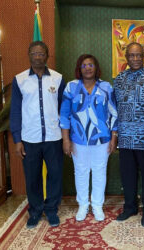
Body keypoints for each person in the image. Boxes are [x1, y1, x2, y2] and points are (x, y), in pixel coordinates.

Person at [10, 41, 65, 229]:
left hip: (54, 137)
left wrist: (66, 136)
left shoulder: (57, 79)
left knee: (55, 175)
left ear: (47, 56)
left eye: (41, 53)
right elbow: (15, 111)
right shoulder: (20, 80)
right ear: (29, 55)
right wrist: (17, 139)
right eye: (34, 53)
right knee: (32, 177)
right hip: (29, 138)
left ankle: (51, 210)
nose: (38, 56)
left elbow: (63, 110)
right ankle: (34, 211)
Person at [59, 54, 118, 222]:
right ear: (79, 68)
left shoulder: (106, 87)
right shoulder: (71, 87)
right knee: (81, 172)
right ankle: (83, 205)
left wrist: (114, 138)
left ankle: (97, 205)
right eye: (84, 65)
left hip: (102, 139)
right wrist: (65, 140)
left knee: (100, 171)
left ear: (96, 68)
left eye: (91, 65)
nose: (87, 68)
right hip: (78, 139)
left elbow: (114, 113)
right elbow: (64, 115)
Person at [114, 42, 144, 227]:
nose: (135, 59)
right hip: (125, 139)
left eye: (138, 55)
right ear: (126, 58)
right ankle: (130, 208)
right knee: (128, 177)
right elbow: (116, 109)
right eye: (131, 55)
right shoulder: (119, 79)